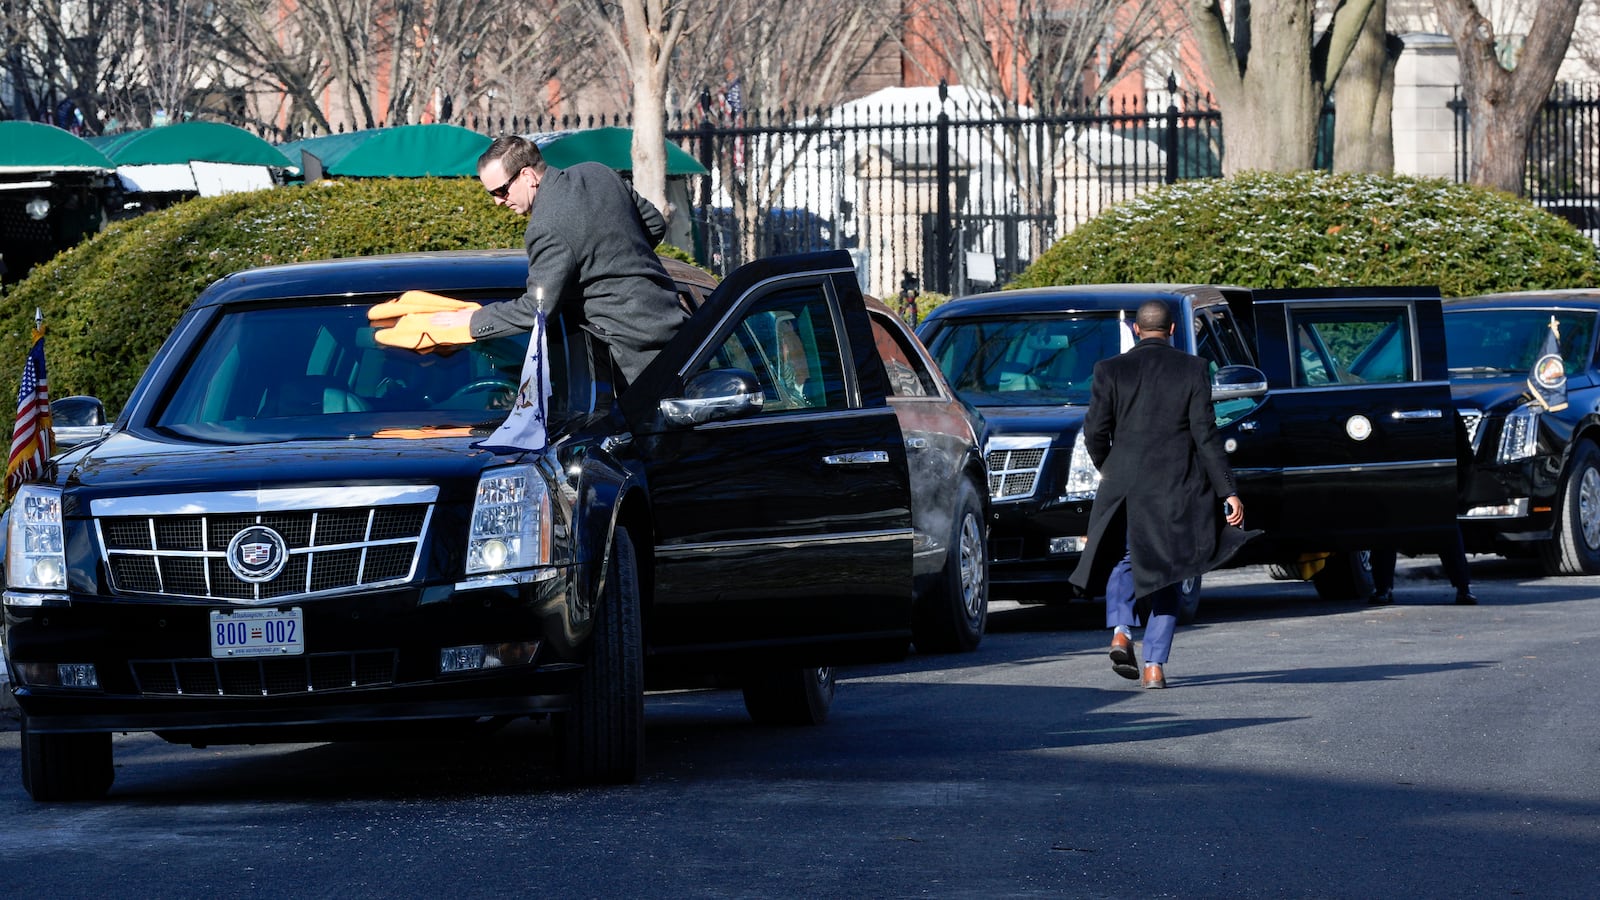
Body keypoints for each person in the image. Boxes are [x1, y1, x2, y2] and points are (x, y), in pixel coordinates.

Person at [1069, 300, 1257, 689]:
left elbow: (1093, 432)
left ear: (1137, 331)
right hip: (1175, 486)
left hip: (1123, 483)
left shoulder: (1109, 370)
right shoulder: (1192, 369)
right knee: (1172, 570)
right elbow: (1205, 435)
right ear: (1172, 330)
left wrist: (1111, 465)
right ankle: (1154, 666)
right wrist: (1229, 491)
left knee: (1123, 559)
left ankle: (1121, 630)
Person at [431, 135, 688, 388]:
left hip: (637, 355)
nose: (498, 201)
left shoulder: (546, 228)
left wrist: (472, 322)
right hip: (678, 325)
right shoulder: (597, 172)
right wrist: (617, 261)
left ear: (527, 176)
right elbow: (654, 224)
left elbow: (537, 309)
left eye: (501, 190)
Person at [1370, 414, 1478, 605]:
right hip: (1437, 483)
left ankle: (1383, 588)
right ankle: (1463, 588)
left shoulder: (1382, 408)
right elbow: (1466, 457)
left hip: (1393, 485)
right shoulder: (1443, 409)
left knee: (1385, 529)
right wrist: (1460, 492)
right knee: (1448, 528)